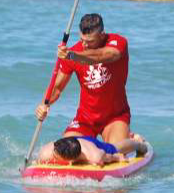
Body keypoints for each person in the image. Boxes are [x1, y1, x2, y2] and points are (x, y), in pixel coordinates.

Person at [34, 13, 132, 149]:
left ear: (102, 35)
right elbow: (57, 88)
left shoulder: (117, 42)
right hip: (85, 119)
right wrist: (44, 104)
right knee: (66, 150)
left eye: (90, 41)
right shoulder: (73, 52)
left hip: (115, 117)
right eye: (82, 40)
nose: (84, 45)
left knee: (116, 151)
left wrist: (73, 56)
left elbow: (103, 55)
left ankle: (132, 138)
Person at [36, 134, 147, 166]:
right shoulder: (47, 152)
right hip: (70, 141)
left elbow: (105, 156)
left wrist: (117, 158)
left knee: (114, 148)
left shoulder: (94, 155)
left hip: (89, 144)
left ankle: (137, 143)